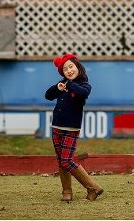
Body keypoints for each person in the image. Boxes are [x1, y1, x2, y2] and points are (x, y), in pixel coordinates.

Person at [45, 53, 104, 202]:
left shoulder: (84, 85)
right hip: (56, 126)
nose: (69, 70)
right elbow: (48, 95)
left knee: (67, 160)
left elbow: (81, 93)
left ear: (78, 67)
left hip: (71, 129)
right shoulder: (62, 85)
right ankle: (67, 192)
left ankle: (93, 187)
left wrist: (68, 83)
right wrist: (57, 87)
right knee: (60, 161)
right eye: (65, 69)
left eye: (71, 66)